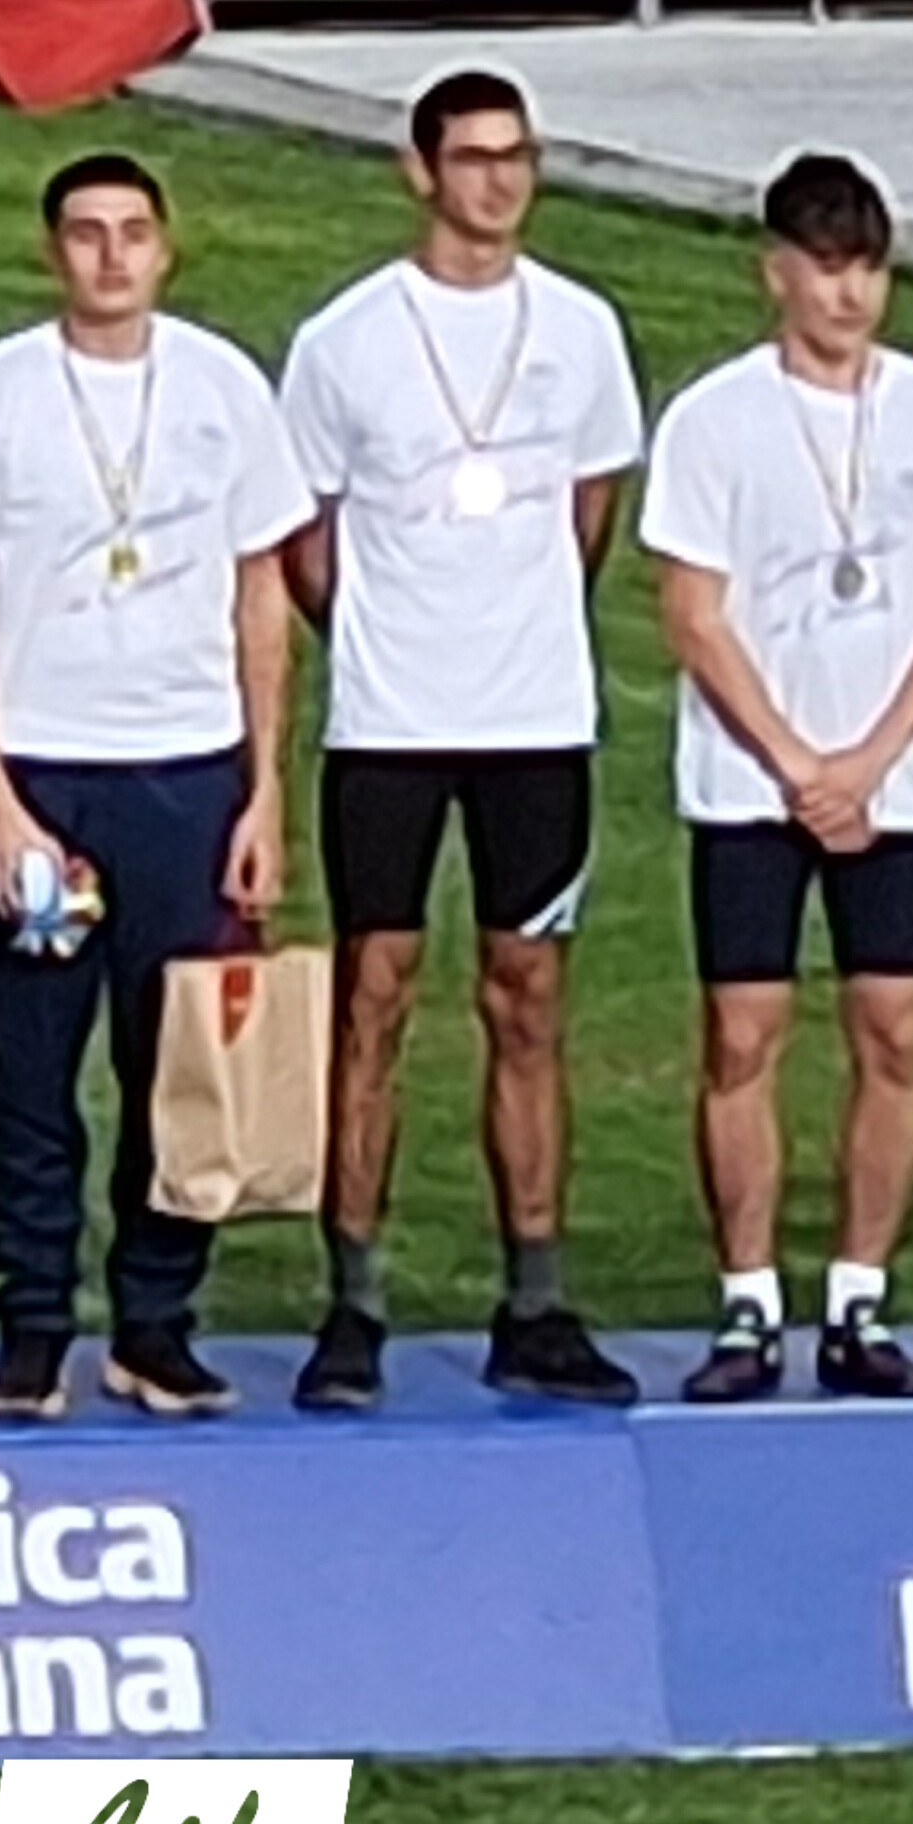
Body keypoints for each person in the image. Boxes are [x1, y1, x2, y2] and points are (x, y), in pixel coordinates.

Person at [276, 71, 646, 1412]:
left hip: (535, 721)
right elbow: (304, 533)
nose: (499, 179)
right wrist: (382, 633)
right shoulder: (347, 340)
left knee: (528, 995)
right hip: (388, 722)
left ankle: (534, 1296)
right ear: (420, 171)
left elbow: (591, 510)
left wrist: (521, 623)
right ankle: (353, 1298)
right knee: (372, 994)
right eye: (475, 156)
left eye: (518, 155)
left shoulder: (583, 330)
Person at [0, 155, 309, 1420]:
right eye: (86, 233)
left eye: (132, 232)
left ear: (166, 247)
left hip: (187, 775)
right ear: (53, 252)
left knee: (179, 1063)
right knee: (30, 1071)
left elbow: (262, 595)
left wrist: (263, 790)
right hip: (42, 774)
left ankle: (156, 1322)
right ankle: (32, 1322)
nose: (110, 255)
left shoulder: (223, 388)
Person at [645, 155, 913, 1402]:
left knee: (893, 1027)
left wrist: (874, 754)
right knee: (743, 1031)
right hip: (751, 782)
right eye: (827, 267)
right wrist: (797, 763)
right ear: (777, 273)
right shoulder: (716, 419)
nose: (849, 294)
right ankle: (748, 1302)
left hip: (888, 778)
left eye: (868, 269)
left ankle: (859, 1297)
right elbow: (693, 612)